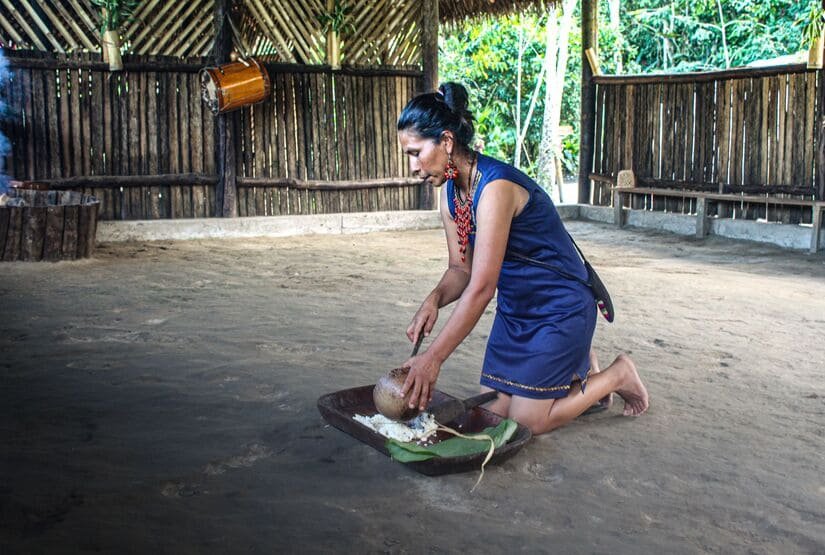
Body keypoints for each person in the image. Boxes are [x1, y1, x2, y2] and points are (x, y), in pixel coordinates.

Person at [396, 83, 649, 435]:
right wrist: (434, 299)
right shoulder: (450, 193)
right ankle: (579, 372)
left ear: (447, 141)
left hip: (561, 306)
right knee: (495, 412)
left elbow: (482, 288)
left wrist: (432, 359)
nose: (412, 166)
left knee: (526, 422)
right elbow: (460, 269)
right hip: (517, 311)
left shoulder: (495, 188)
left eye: (416, 152)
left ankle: (617, 374)